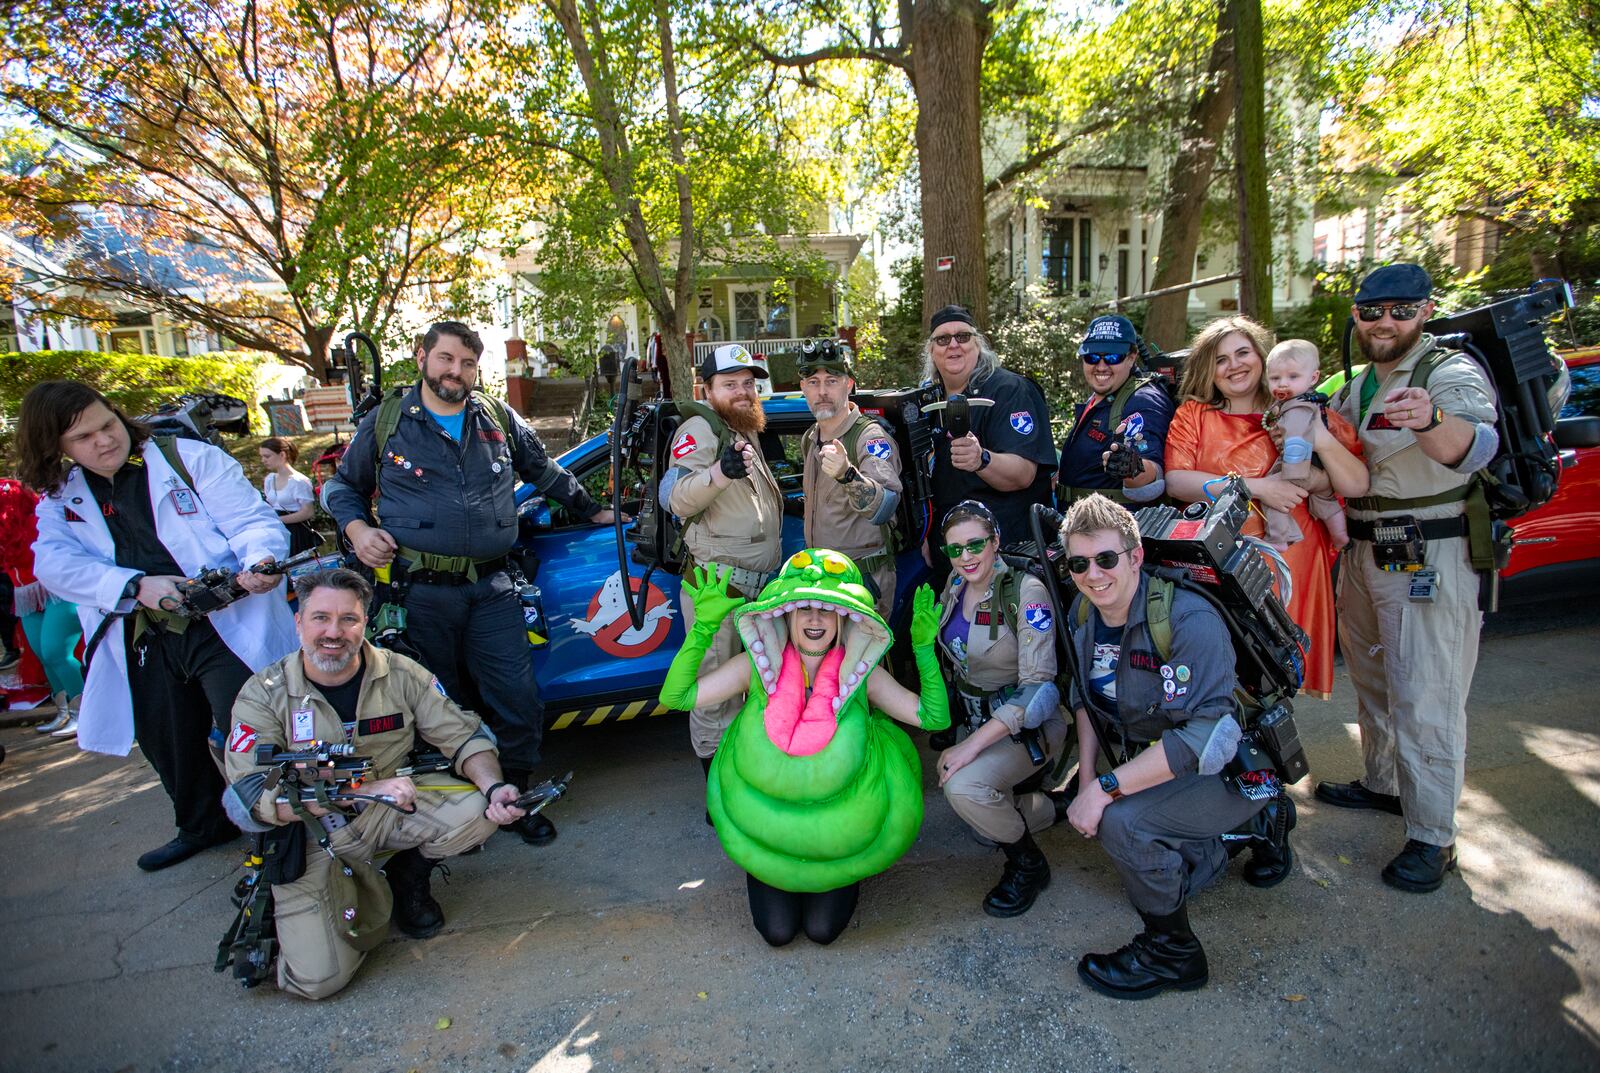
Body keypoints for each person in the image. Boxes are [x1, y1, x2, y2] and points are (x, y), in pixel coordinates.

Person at [324, 321, 613, 849]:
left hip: (493, 588)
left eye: (467, 364)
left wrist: (590, 508)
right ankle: (462, 811)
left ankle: (516, 797)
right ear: (422, 358)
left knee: (517, 696)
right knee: (440, 704)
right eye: (446, 359)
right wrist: (357, 527)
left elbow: (543, 470)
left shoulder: (496, 417)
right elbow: (342, 486)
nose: (455, 371)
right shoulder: (388, 421)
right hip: (419, 593)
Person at [16, 380, 297, 872]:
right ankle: (202, 825)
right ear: (56, 447)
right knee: (166, 734)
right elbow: (52, 563)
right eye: (84, 438)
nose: (104, 441)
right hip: (143, 629)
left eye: (107, 424)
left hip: (222, 620)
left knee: (251, 727)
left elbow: (251, 520)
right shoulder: (62, 496)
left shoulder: (187, 458)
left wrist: (262, 560)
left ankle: (282, 825)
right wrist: (134, 586)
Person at [223, 568, 528, 999]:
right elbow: (250, 800)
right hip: (311, 836)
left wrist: (496, 788)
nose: (334, 632)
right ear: (298, 622)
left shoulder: (402, 673)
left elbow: (464, 736)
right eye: (320, 618)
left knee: (477, 811)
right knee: (318, 982)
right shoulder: (263, 693)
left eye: (348, 619)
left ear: (364, 621)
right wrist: (358, 791)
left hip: (388, 811)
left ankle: (406, 878)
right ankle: (318, 901)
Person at [1061, 493, 1290, 999]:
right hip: (1163, 756)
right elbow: (1083, 693)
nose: (1093, 574)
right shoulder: (1085, 610)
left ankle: (1174, 954)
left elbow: (1207, 737)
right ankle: (1240, 835)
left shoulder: (1186, 618)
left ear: (1136, 555)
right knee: (1146, 851)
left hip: (1230, 762)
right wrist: (1086, 769)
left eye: (1106, 559)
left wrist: (1106, 789)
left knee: (1124, 824)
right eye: (1079, 562)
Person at [1317, 264, 1500, 893]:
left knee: (1426, 691)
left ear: (1424, 311)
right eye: (1372, 311)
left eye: (1400, 309)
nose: (1384, 322)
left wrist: (1427, 419)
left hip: (1429, 550)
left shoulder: (1448, 372)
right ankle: (1386, 783)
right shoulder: (1357, 384)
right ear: (1356, 315)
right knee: (1372, 676)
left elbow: (1473, 448)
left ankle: (1433, 836)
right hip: (1365, 549)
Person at [659, 550, 948, 946]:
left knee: (822, 931)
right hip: (767, 835)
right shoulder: (757, 668)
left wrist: (924, 651)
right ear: (786, 616)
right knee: (776, 932)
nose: (815, 620)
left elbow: (933, 718)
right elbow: (678, 696)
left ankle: (832, 871)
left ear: (843, 619)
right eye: (804, 609)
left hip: (840, 842)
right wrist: (703, 629)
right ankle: (776, 866)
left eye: (827, 611)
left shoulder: (862, 675)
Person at [1164, 317, 1368, 699]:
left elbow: (1354, 480)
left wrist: (1316, 464)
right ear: (1208, 368)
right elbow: (1177, 482)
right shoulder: (1193, 415)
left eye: (1243, 352)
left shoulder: (1301, 409)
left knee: (1282, 668)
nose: (1235, 365)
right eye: (1221, 359)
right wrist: (1260, 488)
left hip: (1293, 554)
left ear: (1262, 357)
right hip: (1222, 557)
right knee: (1228, 670)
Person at [931, 500, 1069, 917]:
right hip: (975, 719)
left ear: (995, 542)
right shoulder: (955, 587)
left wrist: (970, 748)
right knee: (980, 827)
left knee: (964, 789)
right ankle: (1052, 806)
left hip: (1023, 726)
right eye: (955, 550)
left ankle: (1028, 865)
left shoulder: (1025, 592)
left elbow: (1038, 691)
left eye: (975, 545)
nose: (966, 557)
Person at [660, 344, 785, 782]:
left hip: (751, 588)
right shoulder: (701, 428)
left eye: (748, 383)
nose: (743, 391)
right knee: (714, 695)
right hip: (719, 589)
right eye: (730, 384)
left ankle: (742, 779)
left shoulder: (742, 428)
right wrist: (718, 473)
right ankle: (718, 791)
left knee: (749, 687)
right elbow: (675, 497)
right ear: (706, 389)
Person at [919, 305, 1056, 580]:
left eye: (963, 336)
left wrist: (981, 459)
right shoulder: (926, 402)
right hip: (952, 554)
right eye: (943, 339)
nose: (953, 345)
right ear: (932, 350)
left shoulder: (1010, 390)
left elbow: (1023, 475)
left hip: (1007, 553)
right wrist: (926, 533)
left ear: (978, 344)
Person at [796, 341, 903, 617]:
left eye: (831, 381)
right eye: (813, 381)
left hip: (862, 582)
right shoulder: (810, 438)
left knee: (864, 661)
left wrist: (847, 474)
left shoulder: (869, 438)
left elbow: (885, 506)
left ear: (849, 385)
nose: (822, 391)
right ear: (803, 388)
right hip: (821, 578)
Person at [1056, 314, 1173, 511]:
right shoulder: (1102, 396)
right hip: (1079, 527)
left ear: (1132, 357)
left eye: (1112, 357)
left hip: (1111, 533)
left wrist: (1132, 468)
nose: (1101, 366)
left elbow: (1152, 475)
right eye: (1092, 357)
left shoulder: (1142, 401)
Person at [0, 478, 84, 737]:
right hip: (26, 594)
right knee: (43, 655)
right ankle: (64, 713)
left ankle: (86, 714)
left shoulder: (37, 521)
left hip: (59, 590)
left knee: (57, 652)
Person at [1261, 340, 1350, 549]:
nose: (1283, 383)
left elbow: (1296, 440)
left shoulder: (1297, 408)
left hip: (1301, 467)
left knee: (1273, 494)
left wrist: (1291, 475)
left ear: (1313, 378)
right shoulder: (1308, 401)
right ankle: (1340, 535)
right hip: (1320, 467)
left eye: (1293, 377)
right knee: (1324, 499)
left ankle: (1279, 538)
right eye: (1275, 378)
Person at [258, 437, 320, 555]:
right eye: (262, 456)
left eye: (267, 456)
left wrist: (279, 520)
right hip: (276, 529)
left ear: (282, 455)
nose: (263, 460)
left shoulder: (299, 481)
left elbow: (308, 512)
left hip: (296, 532)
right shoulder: (270, 479)